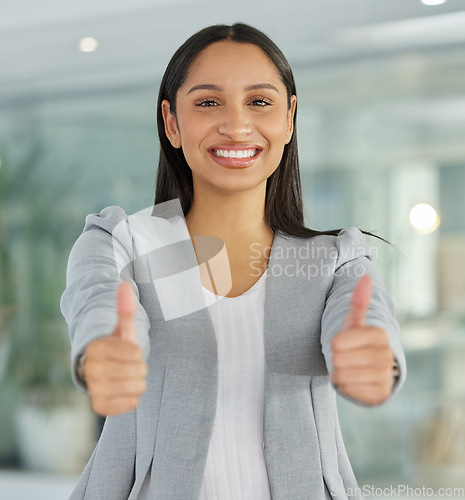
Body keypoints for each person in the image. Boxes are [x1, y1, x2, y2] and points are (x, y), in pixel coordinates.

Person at [60, 22, 406, 500]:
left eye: (259, 102)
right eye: (207, 102)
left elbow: (366, 322)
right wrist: (104, 348)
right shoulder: (127, 241)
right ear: (172, 122)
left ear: (289, 118)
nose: (237, 124)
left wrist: (374, 358)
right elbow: (97, 299)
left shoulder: (334, 259)